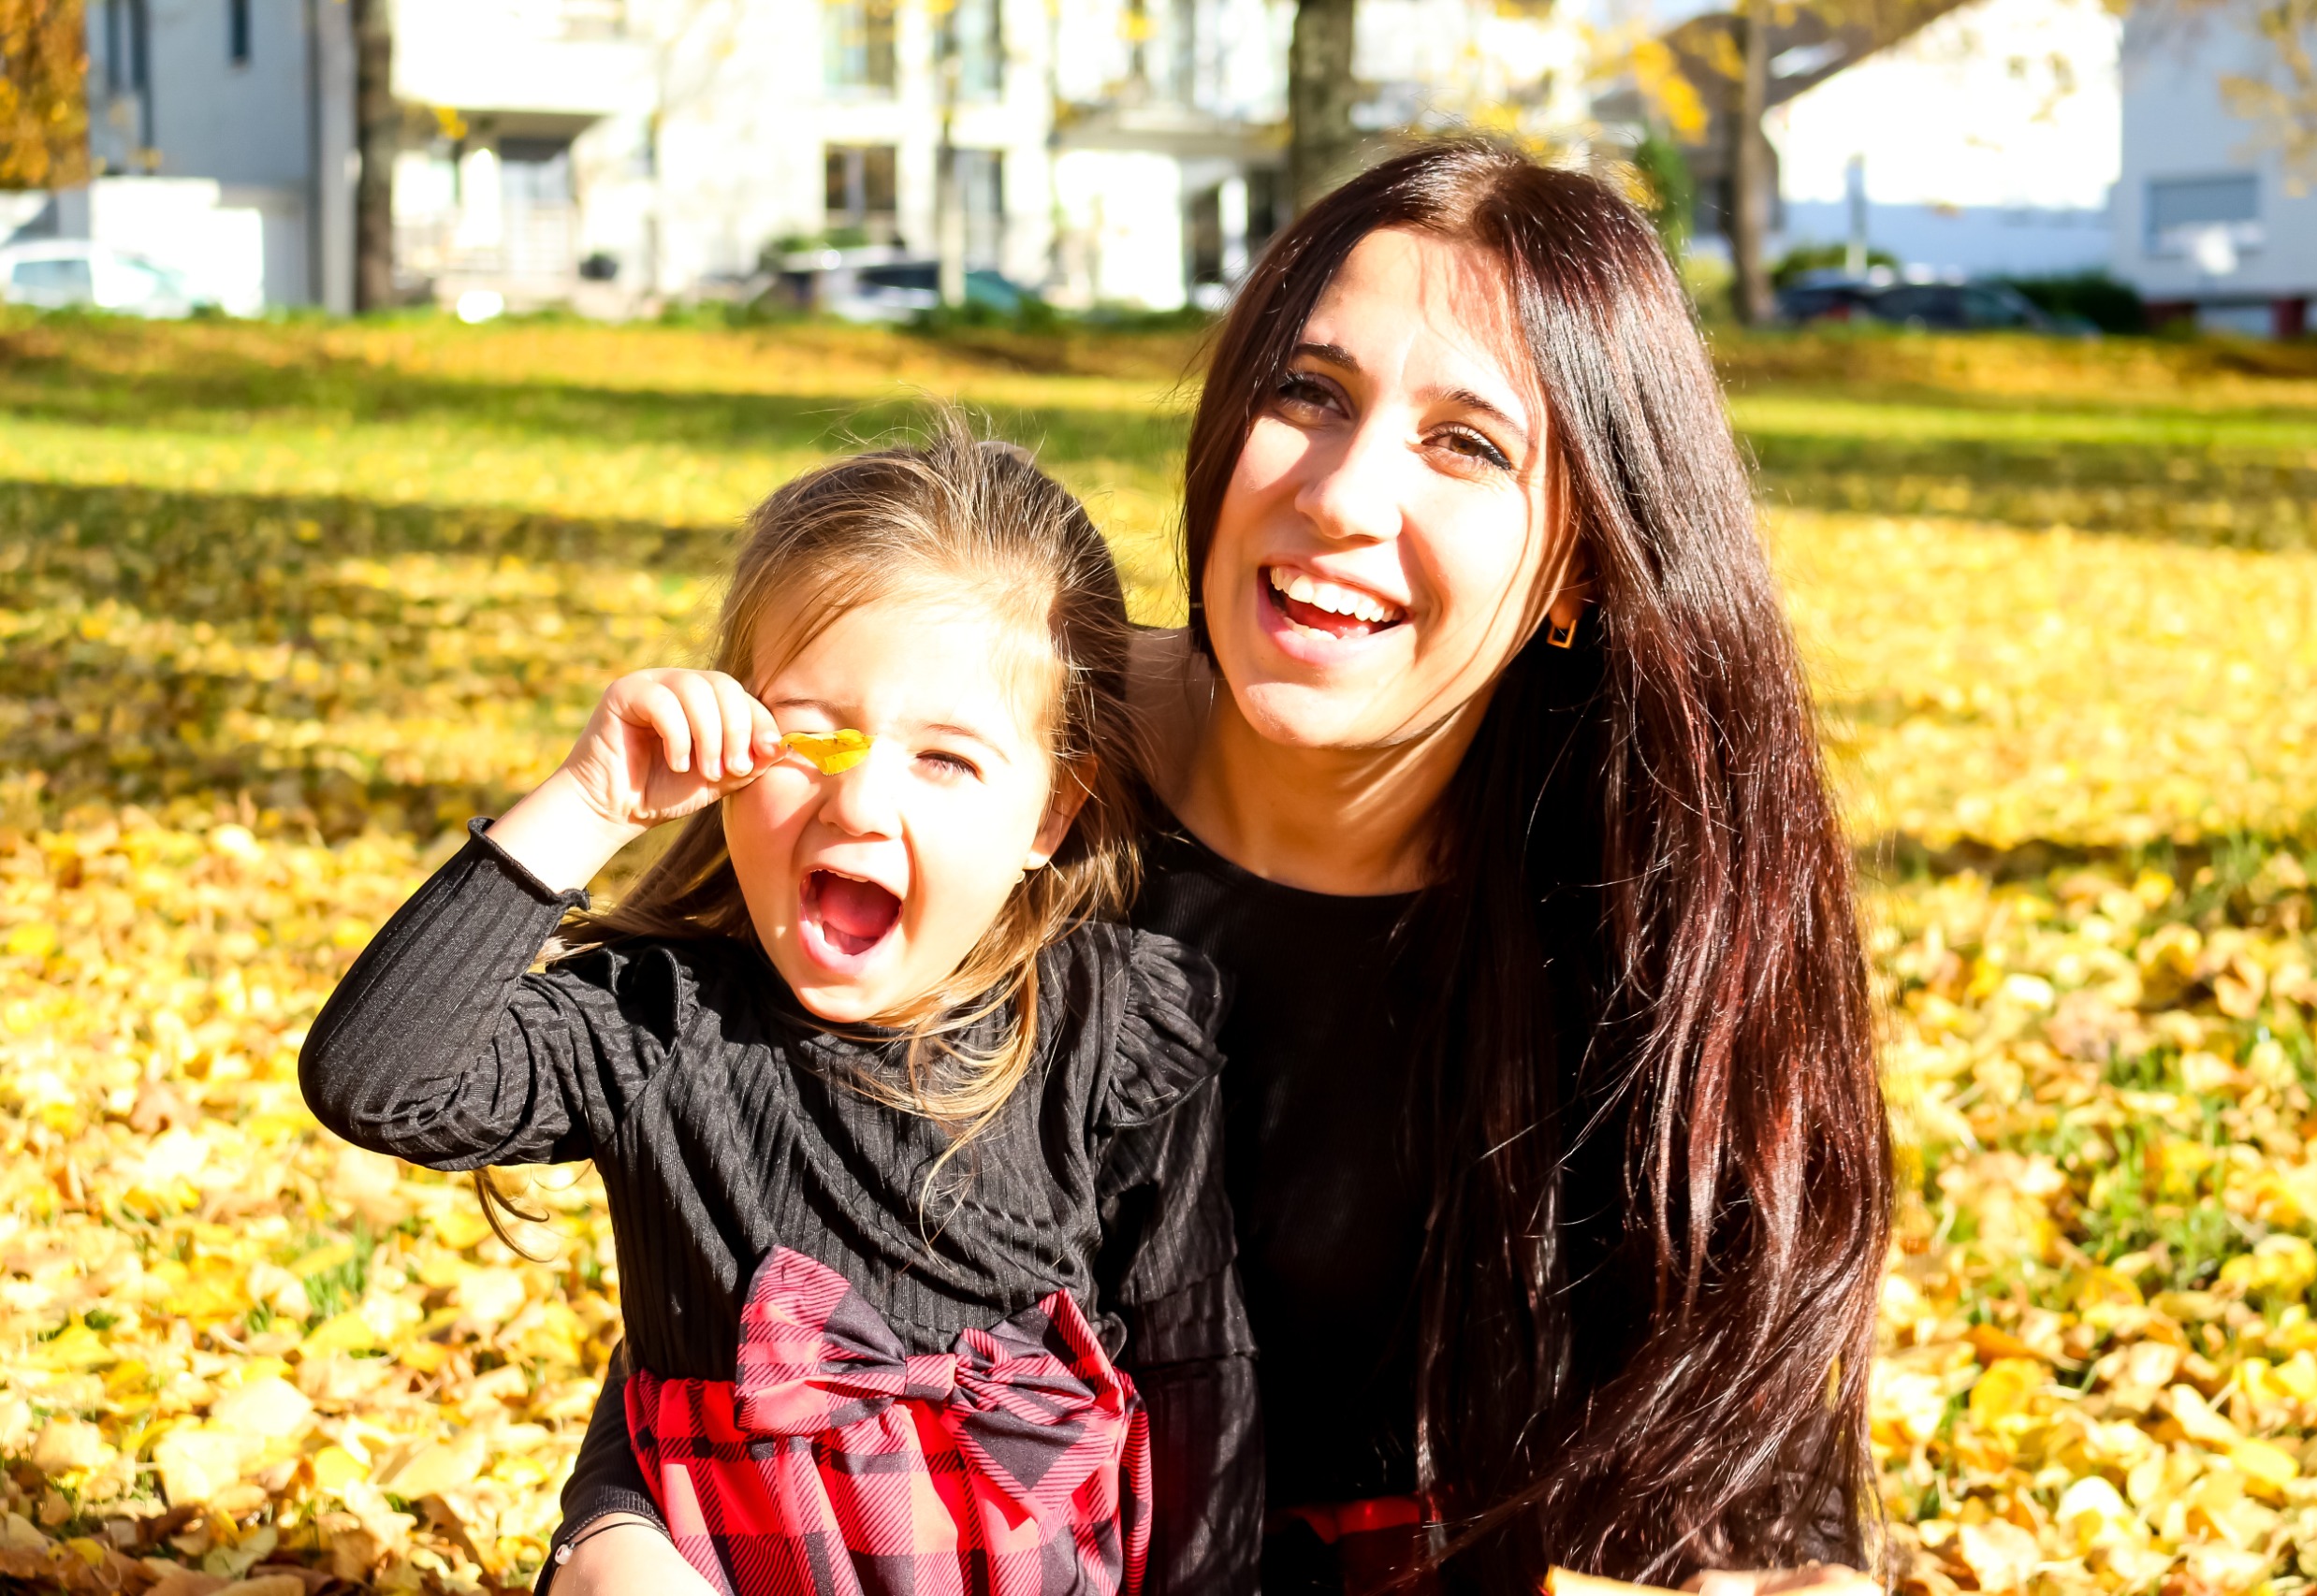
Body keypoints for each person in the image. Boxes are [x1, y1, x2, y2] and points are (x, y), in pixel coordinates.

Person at [548, 139, 1892, 1596]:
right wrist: (615, 1540)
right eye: (1307, 392)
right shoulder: (986, 769)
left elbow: (1741, 1471)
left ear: (1579, 565)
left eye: (1467, 444)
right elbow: (730, 1205)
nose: (1341, 494)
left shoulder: (1640, 902)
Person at [299, 425, 1254, 1596]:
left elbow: (1196, 1353)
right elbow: (377, 1079)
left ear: (1050, 815)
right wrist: (589, 801)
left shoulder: (1108, 1027)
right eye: (813, 734)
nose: (857, 798)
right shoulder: (657, 1022)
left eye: (945, 760)